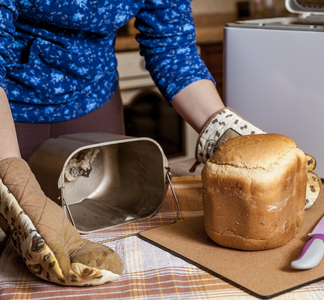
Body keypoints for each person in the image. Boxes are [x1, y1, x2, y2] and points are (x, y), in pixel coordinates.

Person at [0, 0, 264, 287]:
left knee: (108, 220)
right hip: (9, 108)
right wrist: (12, 176)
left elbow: (172, 48)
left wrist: (231, 136)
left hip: (93, 99)